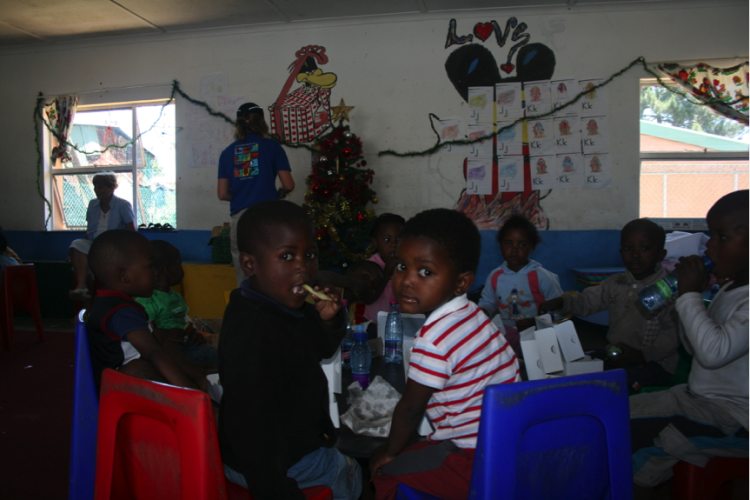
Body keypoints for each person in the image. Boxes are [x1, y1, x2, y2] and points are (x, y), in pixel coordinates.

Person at [370, 208, 520, 500]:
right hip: (507, 442)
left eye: (425, 272)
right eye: (401, 266)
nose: (407, 281)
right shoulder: (473, 314)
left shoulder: (434, 338)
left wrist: (389, 452)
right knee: (419, 447)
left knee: (385, 473)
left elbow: (411, 409)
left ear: (461, 282)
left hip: (470, 459)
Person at [218, 200, 361, 500]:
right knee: (348, 470)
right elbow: (248, 425)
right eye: (286, 256)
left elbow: (321, 349)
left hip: (284, 446)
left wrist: (329, 320)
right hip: (275, 463)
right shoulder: (252, 333)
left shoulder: (283, 305)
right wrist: (276, 489)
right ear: (250, 264)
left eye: (310, 255)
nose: (303, 267)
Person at [629, 190, 750, 488]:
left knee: (621, 427)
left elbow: (713, 353)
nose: (710, 245)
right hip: (701, 400)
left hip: (734, 418)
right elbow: (695, 348)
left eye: (722, 237)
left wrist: (690, 296)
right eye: (711, 235)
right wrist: (682, 299)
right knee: (616, 410)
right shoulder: (730, 289)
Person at [540, 218, 680, 389]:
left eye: (644, 248)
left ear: (660, 255)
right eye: (628, 248)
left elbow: (671, 335)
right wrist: (562, 302)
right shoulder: (616, 283)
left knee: (613, 384)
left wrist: (642, 355)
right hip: (616, 353)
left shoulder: (667, 289)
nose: (635, 254)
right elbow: (587, 302)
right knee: (578, 367)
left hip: (653, 362)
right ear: (621, 252)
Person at [86, 230, 207, 392]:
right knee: (142, 367)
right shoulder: (123, 311)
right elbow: (152, 352)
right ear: (123, 276)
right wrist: (190, 393)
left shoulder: (110, 301)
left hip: (119, 380)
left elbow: (157, 341)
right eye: (150, 266)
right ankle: (189, 399)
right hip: (114, 390)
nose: (156, 273)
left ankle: (197, 376)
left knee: (159, 337)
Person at [217, 102, 295, 286]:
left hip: (241, 219)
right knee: (272, 267)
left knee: (244, 271)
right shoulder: (272, 146)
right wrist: (280, 193)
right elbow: (289, 184)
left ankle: (247, 303)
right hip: (268, 216)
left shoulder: (227, 153)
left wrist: (241, 196)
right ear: (262, 122)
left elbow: (222, 194)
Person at [478, 214, 563, 353]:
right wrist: (484, 311)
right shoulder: (495, 276)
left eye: (522, 244)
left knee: (535, 364)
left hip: (537, 335)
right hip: (505, 336)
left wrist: (537, 322)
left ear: (532, 248)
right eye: (508, 243)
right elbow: (488, 302)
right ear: (500, 245)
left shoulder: (542, 277)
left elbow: (560, 309)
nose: (514, 249)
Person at [135, 240, 218, 366]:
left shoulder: (175, 296)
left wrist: (193, 332)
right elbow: (147, 331)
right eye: (179, 264)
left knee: (218, 357)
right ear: (169, 270)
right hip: (168, 351)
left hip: (188, 344)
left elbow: (183, 317)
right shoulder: (147, 300)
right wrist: (167, 334)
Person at [69, 172, 135, 301]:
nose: (97, 190)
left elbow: (131, 232)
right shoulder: (92, 205)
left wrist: (129, 253)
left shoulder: (123, 205)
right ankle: (82, 287)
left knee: (91, 262)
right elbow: (89, 232)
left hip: (113, 246)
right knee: (77, 244)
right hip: (94, 244)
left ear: (111, 188)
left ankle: (90, 303)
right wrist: (76, 253)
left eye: (101, 187)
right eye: (95, 187)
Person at [363, 213, 406, 323]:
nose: (394, 244)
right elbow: (368, 299)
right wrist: (386, 275)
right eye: (387, 239)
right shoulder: (369, 266)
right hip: (374, 323)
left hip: (402, 324)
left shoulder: (409, 265)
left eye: (399, 239)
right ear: (375, 242)